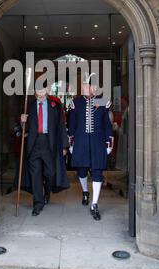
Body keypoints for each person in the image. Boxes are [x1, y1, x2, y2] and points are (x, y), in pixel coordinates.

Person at [68, 74, 114, 221]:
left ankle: (94, 204)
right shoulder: (76, 103)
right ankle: (85, 192)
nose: (85, 88)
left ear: (94, 88)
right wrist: (71, 142)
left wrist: (109, 143)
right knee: (81, 170)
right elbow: (72, 125)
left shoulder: (103, 102)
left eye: (87, 86)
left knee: (97, 172)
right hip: (80, 142)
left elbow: (107, 125)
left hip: (98, 142)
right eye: (84, 86)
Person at [21, 86, 69, 216]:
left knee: (51, 173)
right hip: (34, 144)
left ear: (47, 91)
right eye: (38, 91)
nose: (41, 94)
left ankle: (47, 191)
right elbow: (22, 127)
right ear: (35, 92)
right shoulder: (29, 106)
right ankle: (38, 203)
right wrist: (22, 121)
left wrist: (64, 146)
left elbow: (61, 127)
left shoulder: (55, 106)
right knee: (35, 175)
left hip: (49, 143)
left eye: (43, 91)